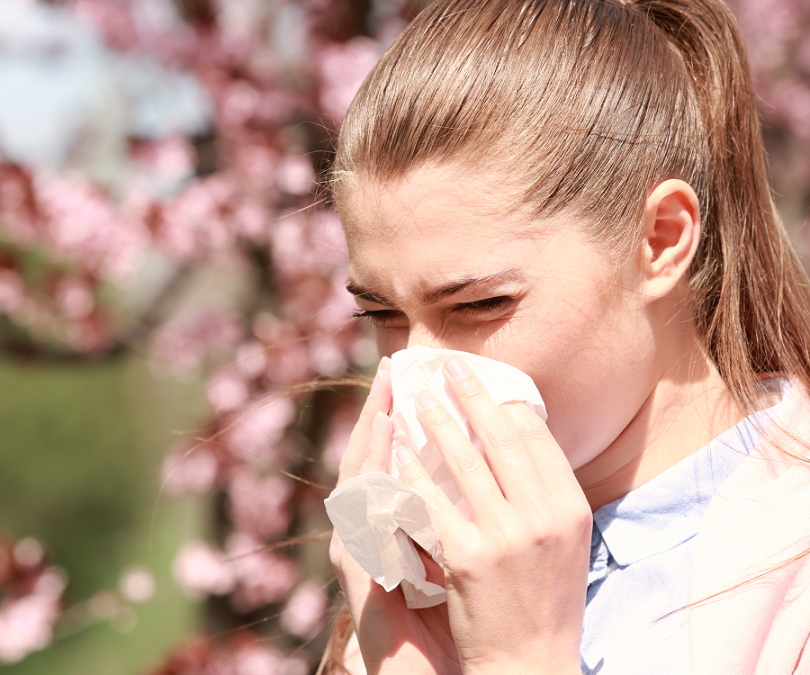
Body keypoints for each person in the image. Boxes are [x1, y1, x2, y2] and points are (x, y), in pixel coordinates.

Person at [323, 0, 810, 673]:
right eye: (383, 315)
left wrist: (522, 659)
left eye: (480, 304)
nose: (419, 362)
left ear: (661, 240)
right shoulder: (421, 590)